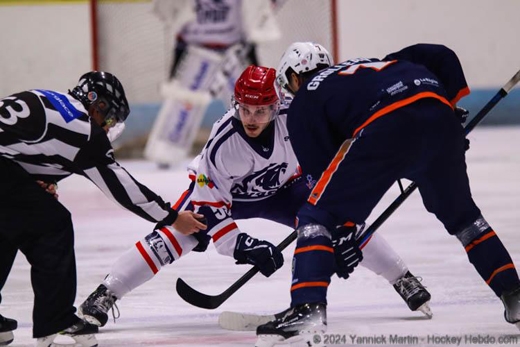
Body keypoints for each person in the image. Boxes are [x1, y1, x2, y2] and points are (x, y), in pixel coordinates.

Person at [78, 65, 433, 329]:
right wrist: (241, 245)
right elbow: (210, 204)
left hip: (285, 189)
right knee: (175, 234)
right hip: (229, 197)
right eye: (245, 109)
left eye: (261, 109)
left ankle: (402, 278)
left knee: (336, 220)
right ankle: (107, 292)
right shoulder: (221, 144)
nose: (251, 117)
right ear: (235, 104)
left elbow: (352, 135)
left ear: (275, 105)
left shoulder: (298, 118)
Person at [254, 42, 520, 346]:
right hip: (437, 111)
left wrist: (340, 233)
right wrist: (449, 109)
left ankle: (307, 307)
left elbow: (324, 183)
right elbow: (437, 54)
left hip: (387, 126)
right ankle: (513, 293)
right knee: (466, 220)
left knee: (315, 216)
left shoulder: (306, 99)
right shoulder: (369, 66)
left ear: (296, 77)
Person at [0, 71, 206, 347]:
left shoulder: (51, 99)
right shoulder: (84, 130)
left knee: (9, 227)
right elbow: (123, 189)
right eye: (109, 120)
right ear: (98, 105)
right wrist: (171, 217)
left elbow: (19, 147)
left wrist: (34, 181)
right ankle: (56, 321)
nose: (107, 129)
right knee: (52, 227)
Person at [145, 0, 281, 167]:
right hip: (199, 51)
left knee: (247, 103)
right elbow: (181, 22)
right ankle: (167, 150)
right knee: (186, 103)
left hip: (233, 51)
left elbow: (249, 19)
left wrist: (253, 58)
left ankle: (260, 145)